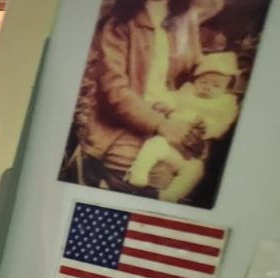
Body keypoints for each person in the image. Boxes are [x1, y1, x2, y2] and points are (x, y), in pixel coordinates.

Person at [75, 0, 226, 199]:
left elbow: (195, 69)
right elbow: (115, 91)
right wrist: (161, 124)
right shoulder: (120, 23)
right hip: (121, 125)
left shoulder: (183, 17)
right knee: (153, 178)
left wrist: (214, 81)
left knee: (193, 170)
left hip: (172, 114)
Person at [128, 51, 240, 202]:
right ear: (195, 80)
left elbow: (223, 126)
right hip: (169, 146)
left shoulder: (224, 105)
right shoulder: (186, 93)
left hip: (191, 155)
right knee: (154, 144)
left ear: (226, 89)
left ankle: (171, 196)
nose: (208, 87)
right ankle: (138, 173)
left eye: (216, 85)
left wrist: (208, 128)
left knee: (196, 170)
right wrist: (163, 105)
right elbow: (171, 99)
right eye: (204, 82)